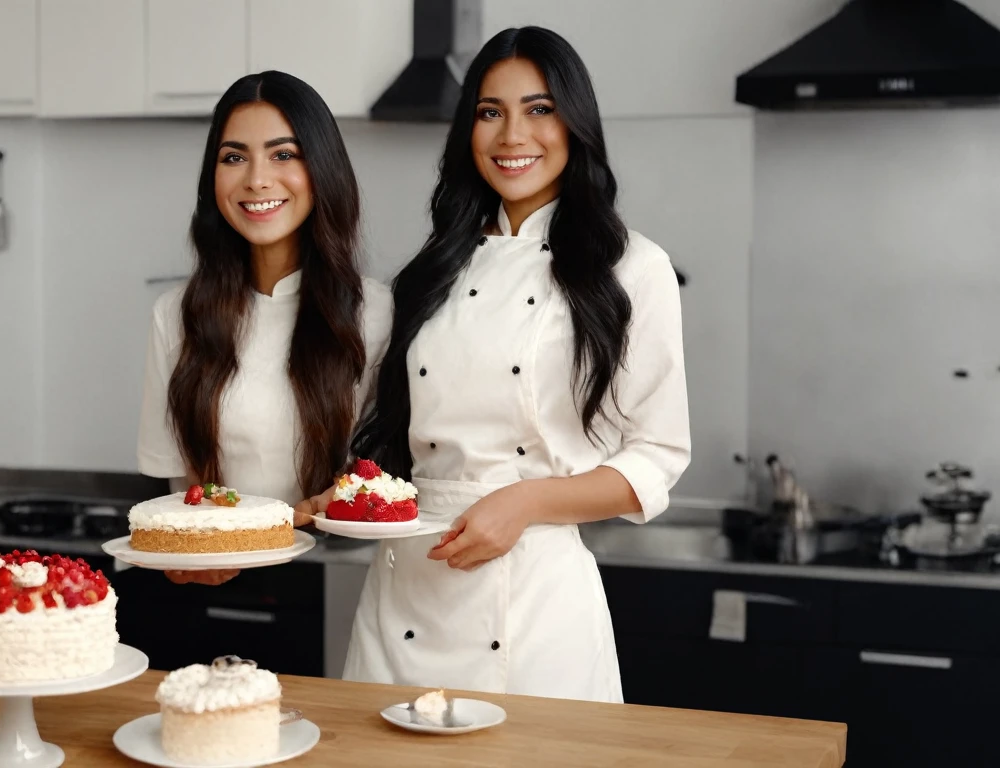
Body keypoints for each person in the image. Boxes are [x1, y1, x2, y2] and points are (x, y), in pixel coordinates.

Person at [337, 27, 691, 700]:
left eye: (539, 109)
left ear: (574, 122)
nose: (511, 136)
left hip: (536, 608)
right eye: (490, 112)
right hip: (404, 596)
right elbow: (393, 440)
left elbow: (657, 456)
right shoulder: (433, 271)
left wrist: (525, 503)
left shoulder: (632, 268)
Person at [137, 71, 393, 585]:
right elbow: (184, 481)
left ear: (322, 170)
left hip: (347, 576)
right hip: (222, 576)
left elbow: (393, 470)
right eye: (233, 157)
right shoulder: (176, 314)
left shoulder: (378, 311)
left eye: (283, 154)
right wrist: (193, 553)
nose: (256, 179)